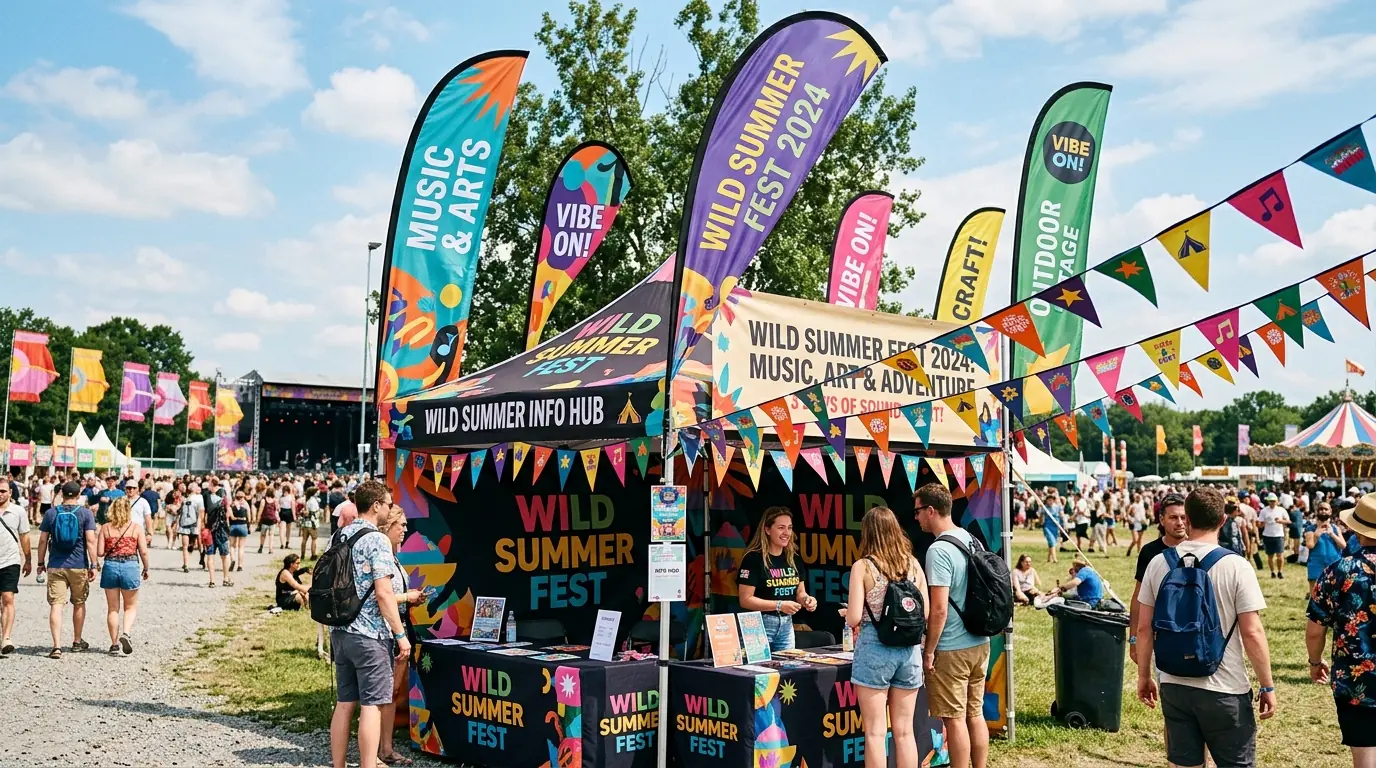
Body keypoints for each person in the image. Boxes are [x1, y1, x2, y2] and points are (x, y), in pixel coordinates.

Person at [1136, 488, 1275, 768]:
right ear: (1223, 520)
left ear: (1186, 519)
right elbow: (1252, 632)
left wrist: (1144, 676)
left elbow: (1143, 628)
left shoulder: (1158, 562)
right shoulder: (1236, 566)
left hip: (1174, 683)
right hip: (1225, 686)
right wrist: (1267, 685)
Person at [330, 480, 409, 768]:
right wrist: (400, 635)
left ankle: (338, 764)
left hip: (340, 631)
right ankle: (368, 765)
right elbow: (383, 593)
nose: (390, 508)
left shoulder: (339, 534)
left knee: (344, 703)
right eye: (388, 504)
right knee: (372, 705)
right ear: (376, 506)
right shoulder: (377, 540)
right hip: (370, 633)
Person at [841, 506, 928, 768]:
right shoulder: (913, 564)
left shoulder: (863, 566)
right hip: (909, 649)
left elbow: (854, 618)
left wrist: (849, 612)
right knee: (905, 732)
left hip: (874, 647)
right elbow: (924, 611)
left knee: (875, 733)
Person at [915, 483, 989, 768]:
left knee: (954, 719)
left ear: (931, 510)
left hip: (951, 647)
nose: (916, 518)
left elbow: (939, 609)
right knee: (975, 713)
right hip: (979, 641)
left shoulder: (938, 550)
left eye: (918, 511)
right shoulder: (972, 540)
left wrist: (929, 650)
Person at [1306, 492, 1376, 767]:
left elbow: (1315, 630)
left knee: (1365, 756)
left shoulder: (1338, 571)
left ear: (1356, 531)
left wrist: (1315, 662)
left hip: (1355, 682)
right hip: (1355, 682)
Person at [377, 504, 425, 767]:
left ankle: (386, 747)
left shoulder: (393, 555)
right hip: (387, 631)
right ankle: (380, 748)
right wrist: (408, 596)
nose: (406, 529)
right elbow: (379, 596)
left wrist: (410, 599)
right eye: (402, 525)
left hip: (400, 627)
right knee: (385, 692)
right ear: (389, 525)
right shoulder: (382, 555)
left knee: (393, 692)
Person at [735, 506, 818, 652]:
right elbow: (745, 599)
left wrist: (807, 600)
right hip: (757, 623)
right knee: (758, 665)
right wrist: (779, 605)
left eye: (789, 528)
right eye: (781, 528)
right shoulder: (753, 559)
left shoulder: (793, 558)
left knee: (787, 665)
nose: (786, 533)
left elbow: (800, 593)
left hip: (786, 623)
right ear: (767, 530)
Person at [36, 481, 98, 658]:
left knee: (56, 604)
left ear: (61, 494)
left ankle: (56, 646)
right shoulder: (85, 513)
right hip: (78, 565)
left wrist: (40, 562)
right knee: (79, 602)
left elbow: (42, 540)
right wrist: (94, 565)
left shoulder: (51, 513)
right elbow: (91, 541)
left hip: (56, 564)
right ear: (79, 495)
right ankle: (77, 641)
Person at [95, 496, 149, 655]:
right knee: (130, 606)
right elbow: (143, 551)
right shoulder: (136, 528)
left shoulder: (105, 528)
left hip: (111, 566)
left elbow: (100, 552)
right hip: (130, 566)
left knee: (113, 608)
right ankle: (126, 633)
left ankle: (113, 644)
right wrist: (146, 568)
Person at [0, 482, 33, 656]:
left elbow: (24, 536)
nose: (0, 494)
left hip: (10, 561)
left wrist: (28, 559)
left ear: (10, 492)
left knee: (8, 598)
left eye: (3, 491)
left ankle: (6, 638)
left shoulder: (18, 511)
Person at [1304, 503, 1347, 586]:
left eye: (1326, 509)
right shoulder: (1310, 528)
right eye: (1321, 509)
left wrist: (1332, 534)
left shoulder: (1335, 528)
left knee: (1333, 590)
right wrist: (1316, 534)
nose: (1323, 511)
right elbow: (1310, 545)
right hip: (1316, 563)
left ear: (1330, 512)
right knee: (1314, 590)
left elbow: (1343, 545)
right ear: (1317, 512)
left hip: (1334, 563)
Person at [200, 484, 232, 587]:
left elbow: (203, 516)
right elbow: (228, 514)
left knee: (210, 556)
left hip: (209, 530)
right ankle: (226, 579)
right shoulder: (223, 500)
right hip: (221, 530)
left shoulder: (206, 498)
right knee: (225, 556)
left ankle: (212, 581)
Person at [1259, 492, 1290, 579]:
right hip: (1267, 535)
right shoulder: (1264, 511)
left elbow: (1288, 521)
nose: (1272, 503)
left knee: (1280, 555)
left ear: (1276, 501)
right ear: (1268, 501)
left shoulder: (1281, 510)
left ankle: (1280, 572)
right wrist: (1263, 523)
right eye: (1270, 501)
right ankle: (1272, 572)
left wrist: (1280, 521)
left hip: (1279, 535)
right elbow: (1260, 523)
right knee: (1270, 556)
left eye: (1273, 501)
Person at [176, 484, 202, 573]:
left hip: (184, 526)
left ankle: (186, 564)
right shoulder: (198, 500)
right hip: (194, 526)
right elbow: (200, 514)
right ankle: (201, 558)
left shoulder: (184, 500)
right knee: (192, 545)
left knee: (185, 546)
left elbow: (178, 512)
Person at [228, 489, 251, 572]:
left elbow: (229, 515)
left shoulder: (232, 504)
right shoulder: (245, 504)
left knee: (231, 546)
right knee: (241, 547)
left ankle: (233, 559)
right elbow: (249, 516)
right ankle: (240, 565)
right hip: (243, 525)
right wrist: (249, 525)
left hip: (233, 525)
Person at [1042, 493, 1066, 564]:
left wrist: (1063, 525)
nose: (1050, 502)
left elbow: (1062, 516)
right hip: (1047, 526)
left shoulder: (1058, 507)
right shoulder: (1044, 507)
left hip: (1055, 527)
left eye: (1051, 500)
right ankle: (1055, 559)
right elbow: (1040, 516)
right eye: (1048, 500)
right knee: (1052, 541)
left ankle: (1049, 558)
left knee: (1052, 543)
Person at [299, 486, 321, 560]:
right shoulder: (314, 501)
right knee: (314, 539)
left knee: (304, 539)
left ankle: (302, 555)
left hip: (306, 523)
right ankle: (313, 555)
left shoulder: (307, 501)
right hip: (313, 523)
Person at [278, 481, 296, 552]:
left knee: (282, 529)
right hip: (289, 512)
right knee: (288, 529)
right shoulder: (291, 497)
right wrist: (294, 516)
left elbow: (278, 506)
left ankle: (282, 543)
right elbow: (293, 507)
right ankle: (287, 542)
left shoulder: (281, 497)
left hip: (282, 512)